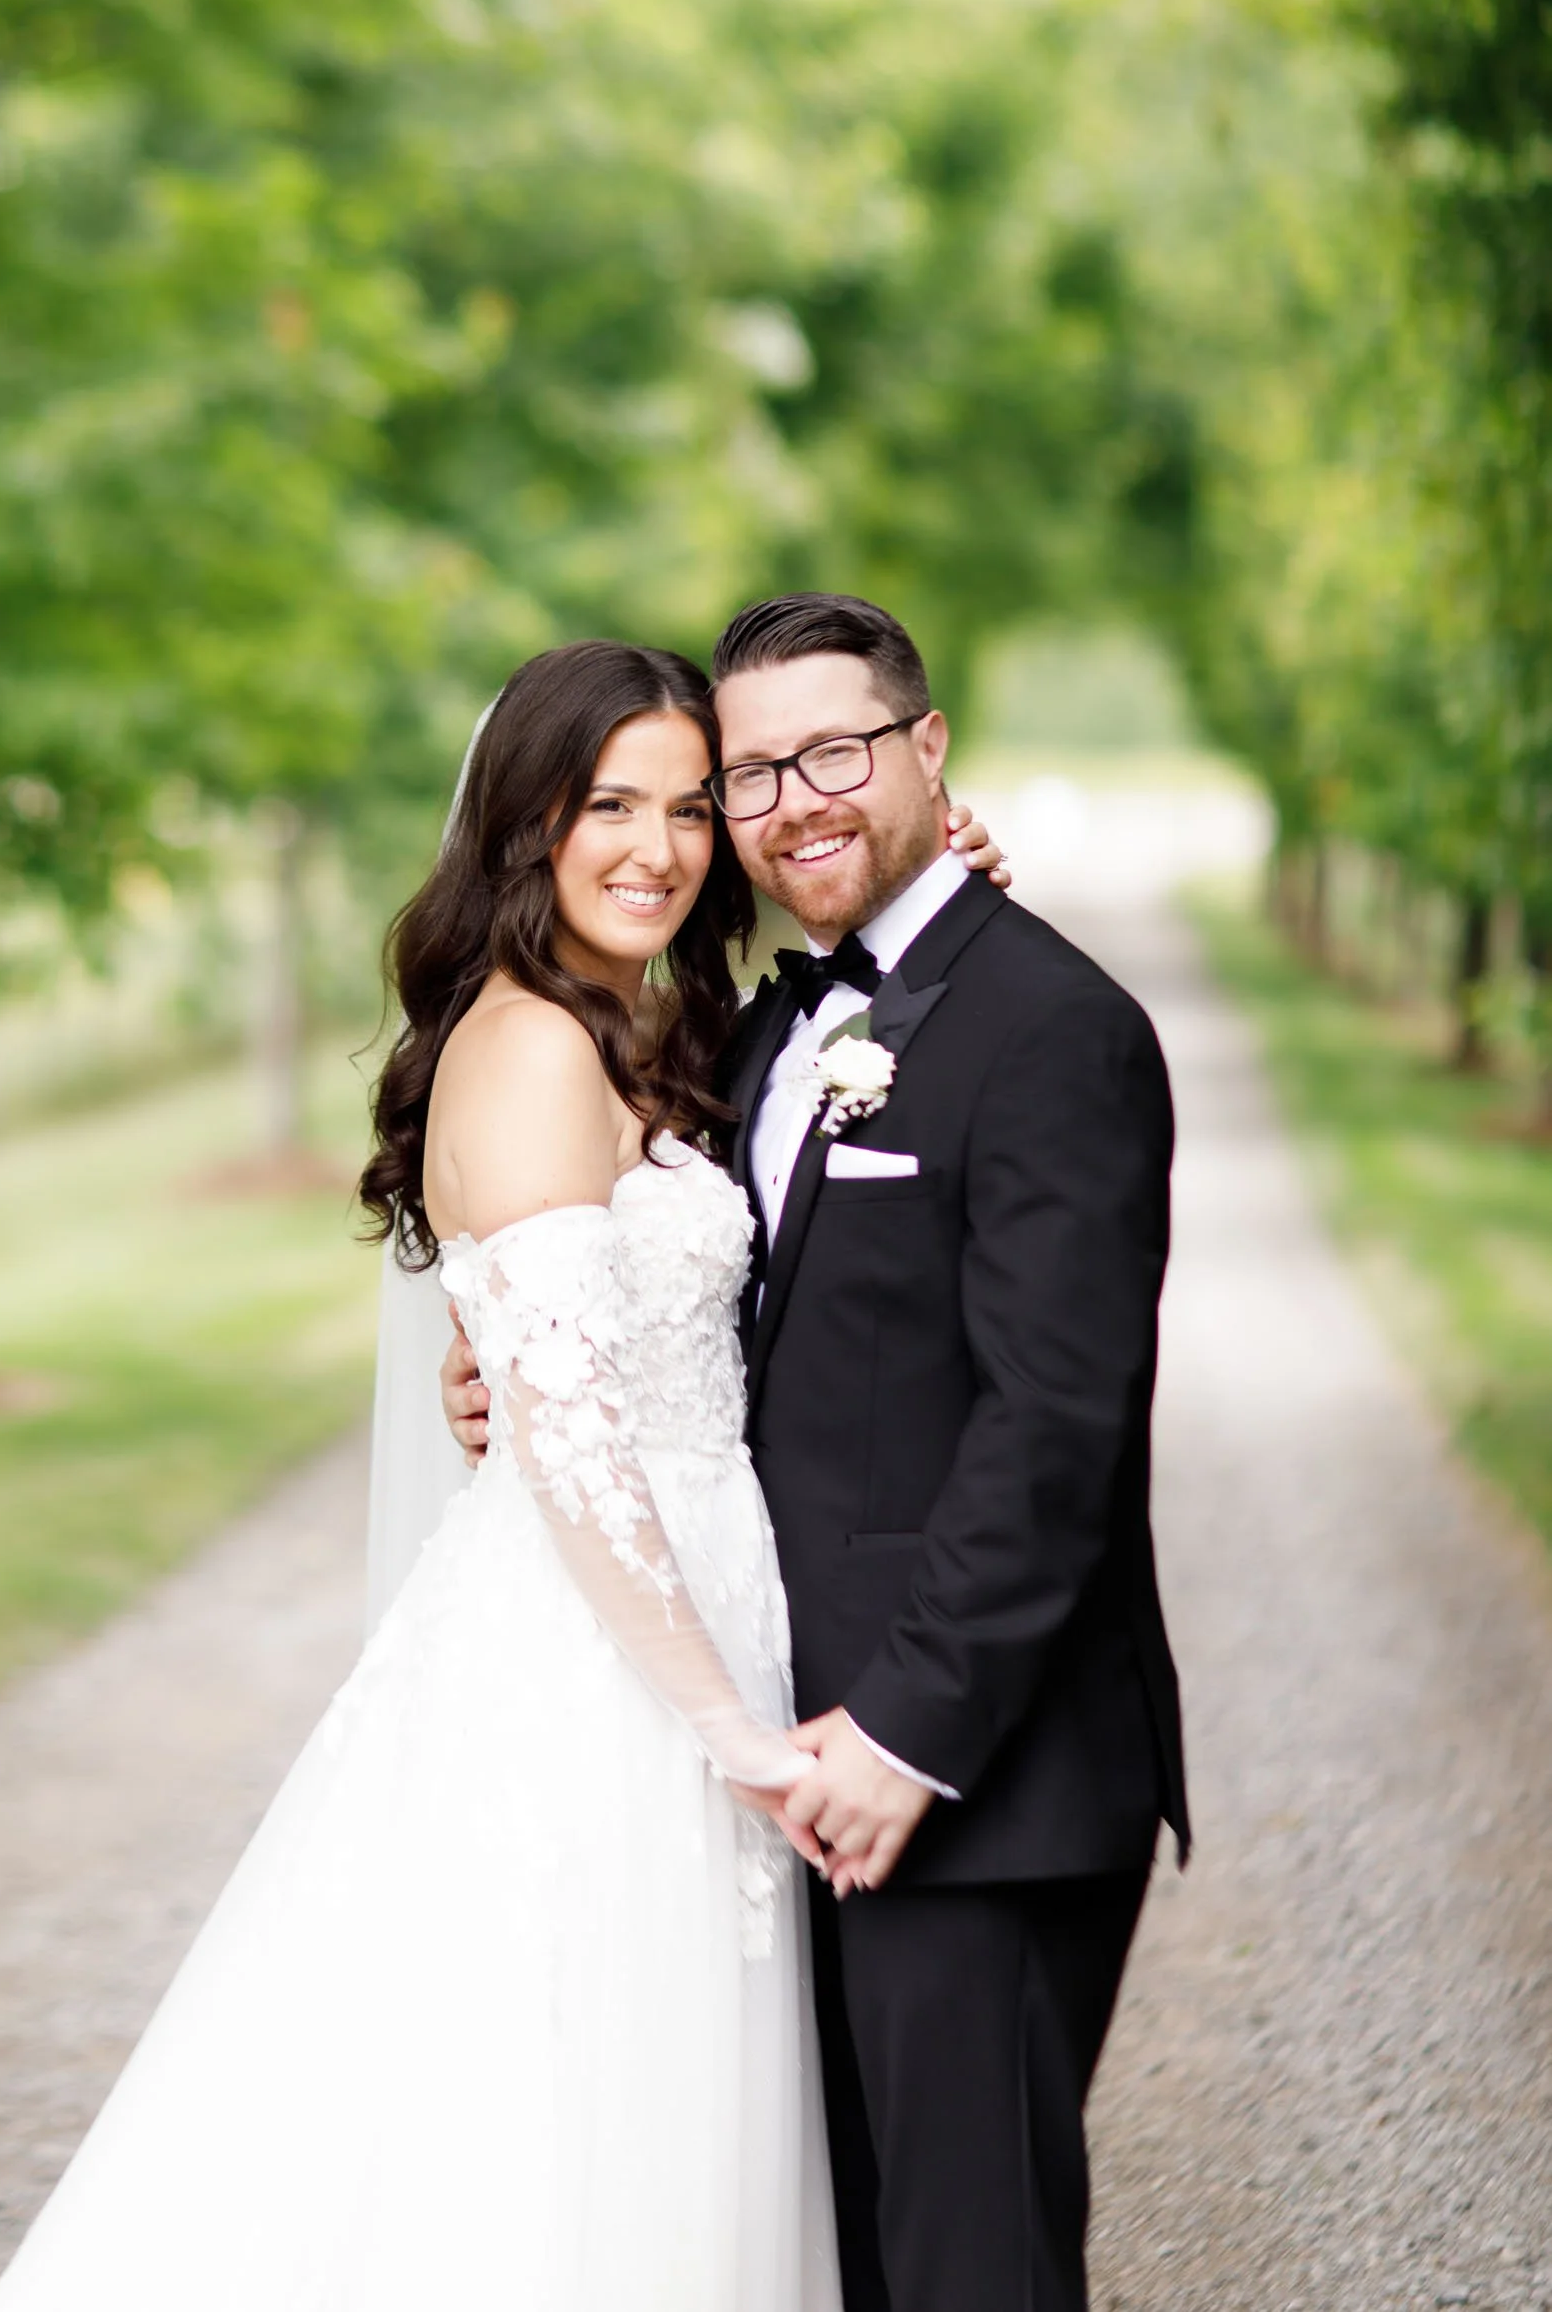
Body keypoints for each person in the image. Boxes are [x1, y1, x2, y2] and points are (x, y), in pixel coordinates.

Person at [0, 636, 1006, 2312]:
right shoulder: (528, 1046)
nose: (657, 848)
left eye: (689, 805)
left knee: (661, 2110)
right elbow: (580, 1447)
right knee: (554, 2111)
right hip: (600, 1667)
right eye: (608, 804)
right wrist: (721, 1721)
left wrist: (946, 874)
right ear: (527, 822)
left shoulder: (660, 1031)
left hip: (704, 1613)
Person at [446, 594, 1190, 2312]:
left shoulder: (1049, 1030)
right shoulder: (766, 1031)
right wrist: (527, 1380)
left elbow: (1055, 1424)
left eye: (833, 752)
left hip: (960, 1777)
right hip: (781, 1755)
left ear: (928, 748)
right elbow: (679, 1307)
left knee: (963, 2264)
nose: (792, 803)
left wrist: (913, 1736)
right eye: (750, 773)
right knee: (824, 2251)